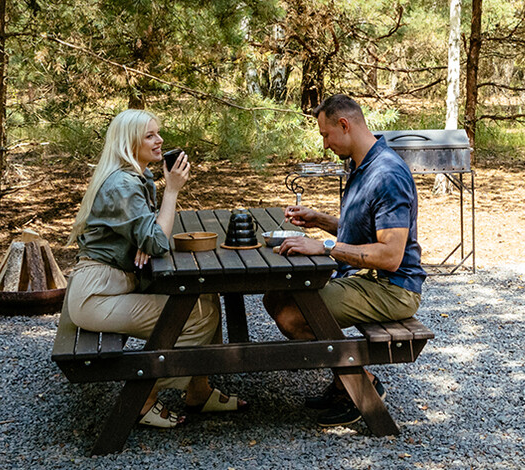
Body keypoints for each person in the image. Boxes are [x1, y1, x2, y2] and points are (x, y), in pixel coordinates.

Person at [56, 108, 245, 428]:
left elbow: (152, 236)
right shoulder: (122, 185)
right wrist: (172, 191)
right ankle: (142, 395)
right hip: (97, 295)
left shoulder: (138, 177)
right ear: (130, 142)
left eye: (158, 133)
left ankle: (198, 390)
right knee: (198, 316)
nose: (160, 141)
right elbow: (158, 242)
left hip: (115, 283)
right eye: (150, 135)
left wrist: (148, 235)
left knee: (206, 297)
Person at [269, 94, 425, 427]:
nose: (324, 144)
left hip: (393, 288)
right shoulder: (363, 164)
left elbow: (390, 255)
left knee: (293, 313)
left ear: (344, 125)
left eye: (326, 135)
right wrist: (319, 219)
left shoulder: (387, 175)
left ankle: (360, 385)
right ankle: (345, 382)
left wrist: (325, 247)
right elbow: (364, 230)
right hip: (367, 278)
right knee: (276, 297)